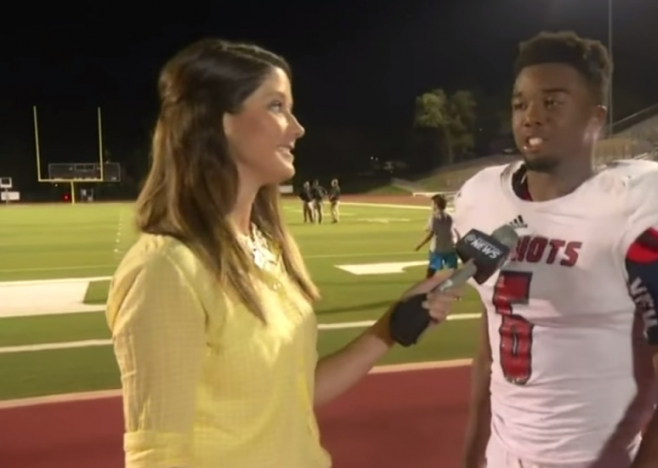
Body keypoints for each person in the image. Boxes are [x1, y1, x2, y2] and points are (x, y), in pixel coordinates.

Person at [105, 38, 462, 468]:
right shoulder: (167, 269)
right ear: (218, 122)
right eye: (276, 106)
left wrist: (390, 327)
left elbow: (295, 392)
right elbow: (158, 458)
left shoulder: (268, 248)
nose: (297, 127)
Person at [457, 31, 658, 468]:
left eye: (552, 102)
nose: (531, 117)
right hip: (502, 455)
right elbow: (488, 350)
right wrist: (472, 457)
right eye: (521, 103)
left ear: (595, 118)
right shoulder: (481, 199)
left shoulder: (636, 207)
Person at [415, 194, 459, 278]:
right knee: (452, 270)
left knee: (431, 271)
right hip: (449, 247)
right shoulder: (449, 217)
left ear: (435, 204)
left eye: (432, 203)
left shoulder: (433, 217)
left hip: (437, 248)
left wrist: (420, 245)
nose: (431, 205)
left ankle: (426, 288)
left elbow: (431, 233)